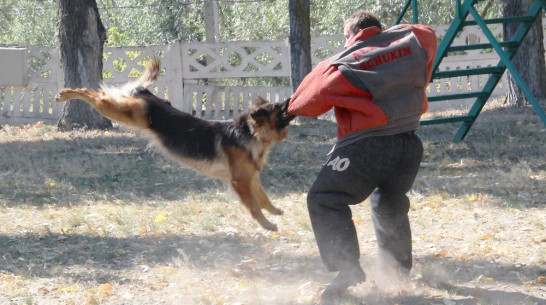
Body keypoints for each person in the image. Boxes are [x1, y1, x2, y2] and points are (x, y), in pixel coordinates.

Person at [286, 10, 437, 302]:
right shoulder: (413, 43)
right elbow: (426, 31)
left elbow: (306, 102)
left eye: (345, 38)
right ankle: (397, 271)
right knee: (389, 201)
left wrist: (341, 56)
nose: (345, 45)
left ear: (353, 35)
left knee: (324, 197)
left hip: (368, 146)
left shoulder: (347, 63)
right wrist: (386, 38)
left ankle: (347, 270)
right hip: (409, 145)